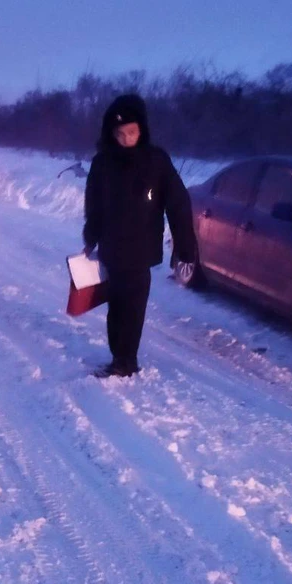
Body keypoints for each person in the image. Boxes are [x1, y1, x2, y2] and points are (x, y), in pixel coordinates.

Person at [82, 94, 197, 378]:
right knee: (116, 307)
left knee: (132, 308)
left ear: (141, 130)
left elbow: (178, 203)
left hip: (140, 250)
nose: (126, 139)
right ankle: (119, 356)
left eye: (132, 132)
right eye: (120, 134)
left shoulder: (156, 161)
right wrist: (91, 234)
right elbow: (94, 203)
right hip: (111, 248)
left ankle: (126, 361)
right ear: (111, 133)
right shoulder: (102, 163)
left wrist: (185, 246)